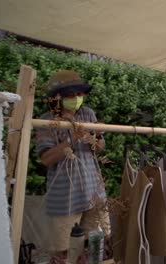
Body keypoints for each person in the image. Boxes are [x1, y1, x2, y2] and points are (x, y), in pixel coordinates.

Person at [35, 70, 110, 260]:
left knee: (96, 242)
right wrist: (72, 141)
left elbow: (99, 148)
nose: (77, 98)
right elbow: (47, 159)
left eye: (80, 94)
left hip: (94, 192)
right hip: (65, 198)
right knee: (62, 250)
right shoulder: (46, 121)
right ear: (57, 98)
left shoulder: (88, 113)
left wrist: (95, 137)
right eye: (71, 94)